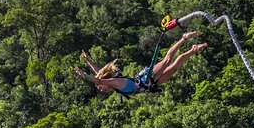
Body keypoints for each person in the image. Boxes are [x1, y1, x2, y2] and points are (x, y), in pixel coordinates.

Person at [74, 31, 207, 96]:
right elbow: (99, 73)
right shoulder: (113, 86)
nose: (100, 88)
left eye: (99, 87)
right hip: (149, 85)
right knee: (174, 68)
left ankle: (183, 38)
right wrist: (88, 61)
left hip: (145, 78)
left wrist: (84, 75)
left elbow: (98, 79)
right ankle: (193, 49)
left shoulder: (114, 82)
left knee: (167, 61)